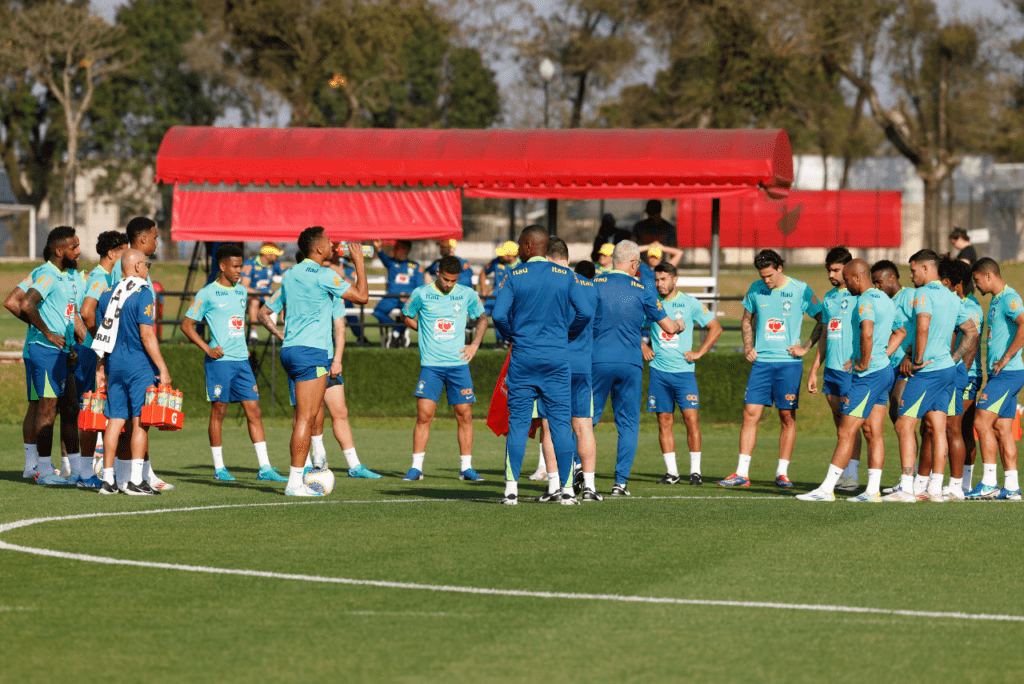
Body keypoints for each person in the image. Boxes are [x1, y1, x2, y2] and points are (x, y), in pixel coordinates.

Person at [259, 227, 368, 496]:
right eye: (329, 242)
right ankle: (295, 483)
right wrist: (360, 264)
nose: (333, 245)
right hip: (312, 351)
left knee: (306, 416)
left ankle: (313, 466)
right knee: (306, 419)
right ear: (318, 248)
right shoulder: (324, 274)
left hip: (290, 350)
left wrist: (278, 332)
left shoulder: (290, 273)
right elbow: (362, 296)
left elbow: (265, 312)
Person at [492, 226, 593, 505]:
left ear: (526, 246)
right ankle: (568, 491)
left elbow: (499, 315)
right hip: (557, 360)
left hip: (523, 358)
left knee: (518, 425)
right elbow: (585, 312)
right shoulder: (566, 276)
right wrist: (568, 334)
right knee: (561, 424)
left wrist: (512, 333)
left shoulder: (513, 275)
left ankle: (511, 491)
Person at [181, 244, 289, 483]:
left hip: (242, 362)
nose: (240, 270)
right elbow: (186, 325)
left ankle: (265, 468)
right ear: (222, 266)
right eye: (236, 266)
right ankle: (219, 468)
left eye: (241, 265)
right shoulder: (207, 293)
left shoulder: (241, 292)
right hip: (220, 363)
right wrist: (208, 348)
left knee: (255, 412)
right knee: (219, 412)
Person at [719, 249, 823, 489]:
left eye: (770, 275)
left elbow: (822, 319)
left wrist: (806, 347)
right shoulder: (756, 289)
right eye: (762, 276)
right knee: (749, 413)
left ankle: (782, 473)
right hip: (762, 363)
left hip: (788, 364)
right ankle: (742, 473)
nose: (766, 280)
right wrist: (748, 347)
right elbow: (747, 320)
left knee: (786, 417)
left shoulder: (800, 289)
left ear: (780, 268)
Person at [883, 249, 978, 503]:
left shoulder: (922, 295)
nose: (911, 276)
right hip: (948, 370)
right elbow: (971, 332)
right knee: (937, 426)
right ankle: (935, 489)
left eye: (913, 271)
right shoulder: (951, 297)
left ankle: (906, 487)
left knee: (905, 424)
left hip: (928, 371)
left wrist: (917, 360)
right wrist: (954, 358)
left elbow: (922, 326)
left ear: (926, 268)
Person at [797, 259, 897, 502]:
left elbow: (867, 331)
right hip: (885, 371)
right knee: (874, 432)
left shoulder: (864, 300)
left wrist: (863, 362)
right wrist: (879, 356)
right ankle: (872, 491)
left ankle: (826, 490)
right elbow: (900, 330)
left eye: (848, 279)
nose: (847, 284)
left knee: (845, 431)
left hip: (868, 375)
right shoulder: (885, 297)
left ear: (856, 278)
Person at [592, 241, 683, 496]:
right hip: (630, 362)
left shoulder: (594, 284)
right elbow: (667, 327)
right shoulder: (643, 288)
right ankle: (620, 483)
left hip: (597, 360)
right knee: (628, 424)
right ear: (634, 263)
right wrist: (678, 325)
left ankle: (581, 474)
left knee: (586, 420)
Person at [283, 246, 381, 479]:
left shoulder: (320, 285)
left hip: (321, 357)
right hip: (309, 355)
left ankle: (353, 465)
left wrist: (336, 359)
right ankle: (305, 468)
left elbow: (339, 327)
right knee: (306, 415)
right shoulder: (306, 279)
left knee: (338, 411)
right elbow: (267, 311)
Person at [400, 255, 488, 481]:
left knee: (465, 416)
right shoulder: (421, 293)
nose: (449, 284)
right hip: (431, 366)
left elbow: (483, 319)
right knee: (424, 416)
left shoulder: (466, 293)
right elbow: (406, 314)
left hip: (459, 366)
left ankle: (465, 468)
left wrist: (474, 346)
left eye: (453, 280)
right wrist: (424, 329)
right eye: (446, 279)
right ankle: (416, 468)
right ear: (438, 272)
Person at [93, 249, 171, 495]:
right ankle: (136, 481)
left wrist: (101, 366)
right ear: (137, 266)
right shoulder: (143, 292)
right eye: (146, 264)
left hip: (114, 364)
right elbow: (147, 335)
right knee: (140, 421)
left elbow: (102, 334)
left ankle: (108, 479)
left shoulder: (107, 294)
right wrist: (163, 368)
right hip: (138, 365)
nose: (148, 268)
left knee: (115, 420)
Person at [532, 242, 603, 502]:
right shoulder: (591, 286)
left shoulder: (553, 283)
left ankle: (556, 488)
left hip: (555, 364)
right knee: (583, 424)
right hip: (583, 365)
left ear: (548, 257)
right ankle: (591, 489)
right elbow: (596, 325)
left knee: (550, 426)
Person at [16, 230, 86, 486]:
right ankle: (43, 471)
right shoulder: (47, 274)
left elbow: (70, 315)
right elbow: (25, 304)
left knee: (70, 409)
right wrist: (47, 333)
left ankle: (78, 470)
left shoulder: (67, 277)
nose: (78, 251)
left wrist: (71, 344)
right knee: (47, 410)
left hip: (62, 353)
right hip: (44, 352)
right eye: (74, 247)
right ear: (59, 251)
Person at [642, 261, 722, 486]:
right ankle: (672, 473)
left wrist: (699, 353)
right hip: (659, 372)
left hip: (684, 373)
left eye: (664, 279)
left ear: (675, 280)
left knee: (691, 420)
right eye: (656, 280)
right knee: (664, 422)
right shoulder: (651, 302)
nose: (659, 284)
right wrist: (643, 346)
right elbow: (630, 326)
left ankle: (695, 472)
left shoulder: (690, 303)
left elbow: (716, 327)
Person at [965, 258, 1024, 500]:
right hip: (1007, 374)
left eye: (977, 280)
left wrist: (1006, 357)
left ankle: (989, 482)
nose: (976, 285)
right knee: (1002, 429)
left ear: (988, 275)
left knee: (980, 422)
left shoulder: (1010, 298)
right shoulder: (997, 300)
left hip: (1007, 374)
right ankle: (1012, 487)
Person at [807, 247, 863, 491]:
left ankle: (852, 475)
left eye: (836, 270)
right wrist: (814, 370)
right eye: (829, 270)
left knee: (853, 424)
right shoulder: (829, 297)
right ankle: (843, 472)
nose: (831, 274)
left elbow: (869, 332)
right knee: (840, 423)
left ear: (848, 270)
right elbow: (826, 336)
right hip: (831, 371)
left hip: (852, 371)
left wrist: (860, 359)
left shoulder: (860, 297)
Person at [78, 230, 128, 480]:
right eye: (123, 252)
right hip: (94, 352)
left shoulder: (107, 276)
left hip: (98, 351)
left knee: (100, 406)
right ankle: (86, 472)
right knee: (92, 407)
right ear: (111, 253)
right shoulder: (100, 277)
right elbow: (87, 311)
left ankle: (89, 469)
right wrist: (102, 341)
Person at [371, 239, 423, 348]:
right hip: (391, 298)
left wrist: (409, 295)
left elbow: (419, 288)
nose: (394, 249)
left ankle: (395, 334)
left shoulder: (416, 266)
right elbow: (382, 256)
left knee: (407, 314)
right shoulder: (391, 263)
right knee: (377, 311)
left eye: (397, 247)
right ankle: (398, 329)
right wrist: (378, 248)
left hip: (408, 299)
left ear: (405, 249)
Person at [240, 242, 285, 343]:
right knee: (255, 300)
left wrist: (281, 279)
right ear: (268, 255)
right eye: (275, 254)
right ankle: (253, 333)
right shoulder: (250, 263)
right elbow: (244, 286)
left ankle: (285, 334)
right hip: (253, 296)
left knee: (284, 302)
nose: (277, 257)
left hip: (268, 297)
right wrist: (262, 295)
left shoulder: (276, 264)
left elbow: (287, 277)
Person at [482, 241, 520, 349]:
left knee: (504, 315)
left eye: (504, 254)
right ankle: (473, 336)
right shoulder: (496, 262)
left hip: (512, 298)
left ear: (511, 255)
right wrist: (484, 290)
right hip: (494, 297)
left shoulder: (521, 265)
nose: (500, 256)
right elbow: (483, 272)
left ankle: (505, 341)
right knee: (481, 315)